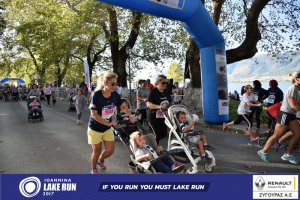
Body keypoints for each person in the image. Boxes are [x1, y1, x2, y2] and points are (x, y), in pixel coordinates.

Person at [87, 71, 135, 174]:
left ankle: (101, 160)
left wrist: (130, 115)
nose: (115, 86)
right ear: (105, 82)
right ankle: (94, 168)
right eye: (112, 84)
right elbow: (94, 115)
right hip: (95, 128)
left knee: (110, 150)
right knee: (97, 151)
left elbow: (123, 106)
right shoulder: (96, 95)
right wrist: (108, 123)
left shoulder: (114, 95)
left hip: (107, 128)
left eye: (116, 84)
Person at [257, 71, 300, 165]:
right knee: (276, 135)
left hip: (291, 115)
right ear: (297, 79)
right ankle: (263, 151)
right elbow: (293, 105)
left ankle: (287, 154)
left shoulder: (297, 89)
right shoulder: (293, 88)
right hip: (285, 114)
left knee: (298, 134)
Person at [147, 75, 172, 144]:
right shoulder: (153, 92)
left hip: (162, 116)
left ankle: (155, 149)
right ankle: (153, 150)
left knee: (163, 134)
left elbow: (169, 101)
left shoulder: (166, 92)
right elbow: (148, 104)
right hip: (153, 116)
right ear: (157, 83)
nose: (165, 84)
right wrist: (159, 107)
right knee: (156, 135)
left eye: (166, 83)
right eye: (163, 83)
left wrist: (170, 106)